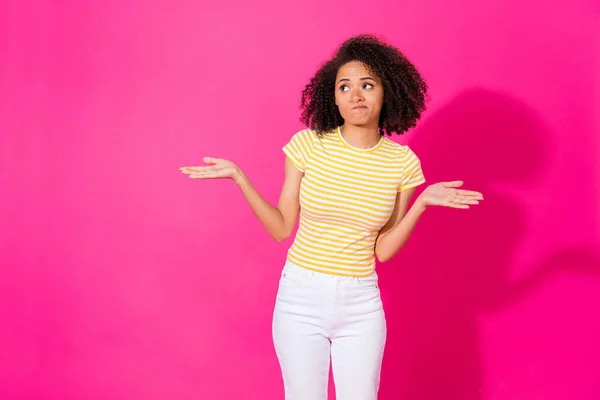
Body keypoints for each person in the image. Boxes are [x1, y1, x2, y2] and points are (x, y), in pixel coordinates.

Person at [180, 34, 483, 400]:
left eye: (367, 85)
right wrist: (239, 177)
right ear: (333, 96)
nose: (356, 95)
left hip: (360, 302)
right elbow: (281, 228)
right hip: (300, 296)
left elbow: (383, 250)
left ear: (386, 92)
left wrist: (421, 204)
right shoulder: (307, 146)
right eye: (345, 87)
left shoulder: (402, 164)